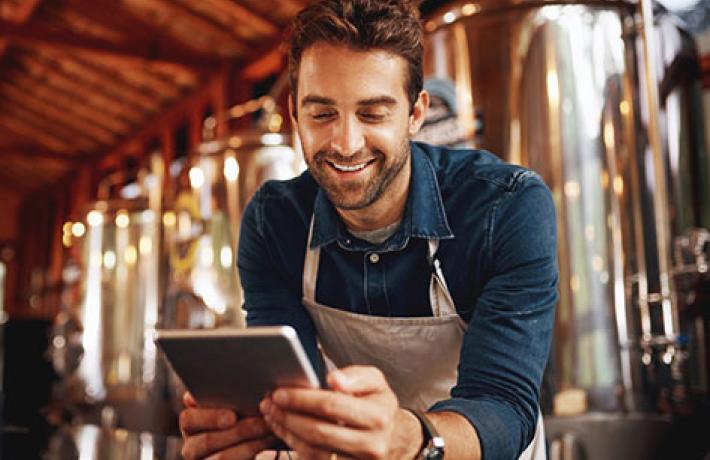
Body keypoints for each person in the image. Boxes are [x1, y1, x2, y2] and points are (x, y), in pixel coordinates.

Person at [178, 1, 558, 459]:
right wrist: (251, 432)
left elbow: (501, 404)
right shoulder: (274, 222)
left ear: (415, 113)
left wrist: (410, 441)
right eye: (322, 115)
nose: (345, 143)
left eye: (373, 113)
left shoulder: (505, 206)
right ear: (295, 115)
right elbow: (294, 388)